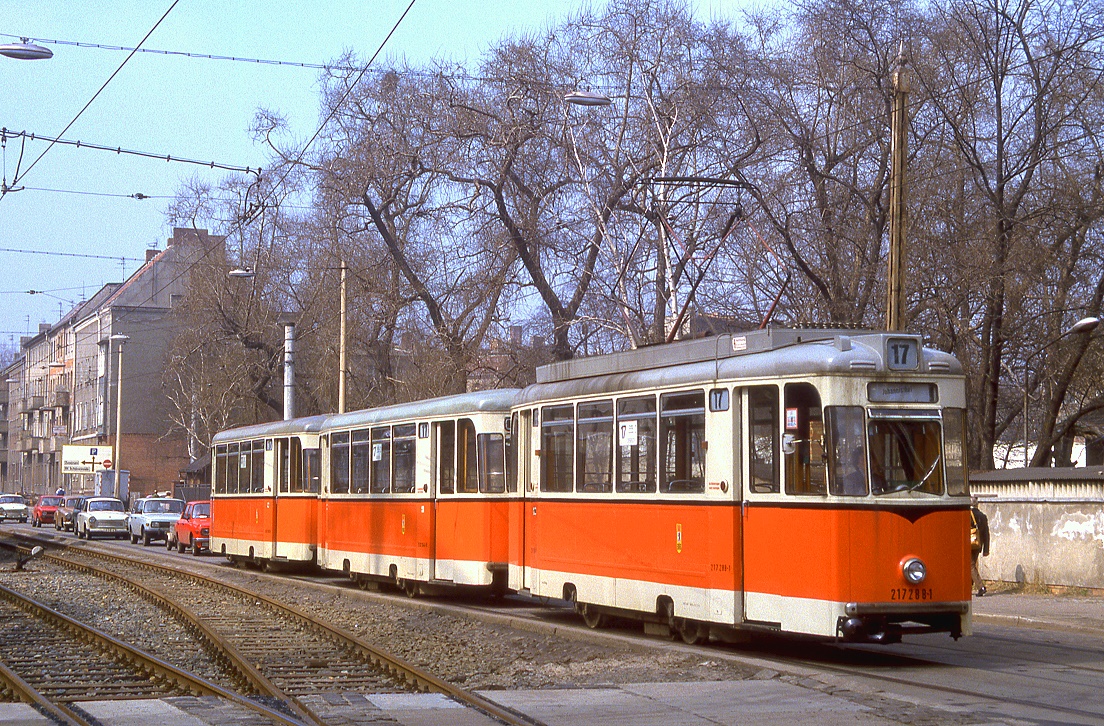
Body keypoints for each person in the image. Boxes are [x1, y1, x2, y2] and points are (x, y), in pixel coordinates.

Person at [970, 497, 990, 596]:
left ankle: (981, 587)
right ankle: (968, 586)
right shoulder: (983, 516)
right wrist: (986, 549)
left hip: (969, 544)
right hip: (978, 545)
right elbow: (986, 533)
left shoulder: (967, 515)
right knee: (971, 565)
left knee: (970, 566)